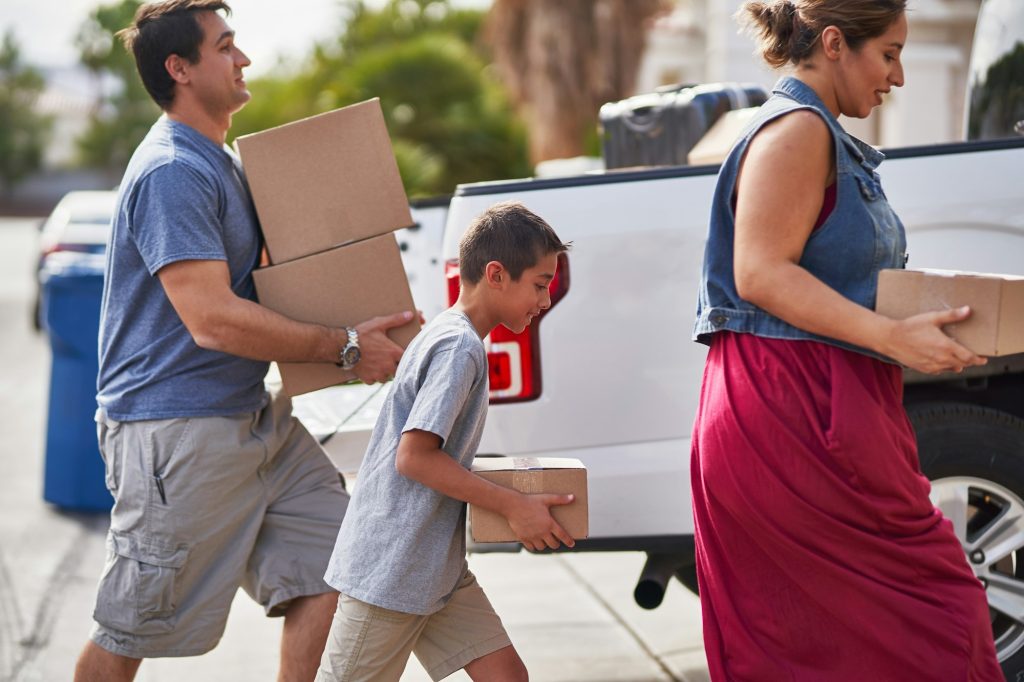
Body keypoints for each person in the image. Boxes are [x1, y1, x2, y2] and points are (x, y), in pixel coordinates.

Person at [73, 2, 413, 680]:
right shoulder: (173, 170)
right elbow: (211, 318)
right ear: (181, 69)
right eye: (225, 46)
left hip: (251, 417)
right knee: (132, 625)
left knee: (339, 559)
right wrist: (345, 345)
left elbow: (266, 286)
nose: (243, 58)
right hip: (175, 432)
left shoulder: (221, 161)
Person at [690, 1, 1003, 679]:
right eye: (888, 54)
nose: (897, 76)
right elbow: (760, 271)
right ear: (835, 43)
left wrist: (927, 323)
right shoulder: (798, 130)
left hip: (824, 402)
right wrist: (894, 337)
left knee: (848, 643)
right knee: (939, 618)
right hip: (791, 411)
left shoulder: (816, 131)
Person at [315, 201, 572, 682]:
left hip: (435, 567)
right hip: (394, 568)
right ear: (496, 274)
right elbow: (414, 458)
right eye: (539, 284)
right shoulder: (459, 347)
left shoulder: (452, 335)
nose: (545, 299)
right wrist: (513, 505)